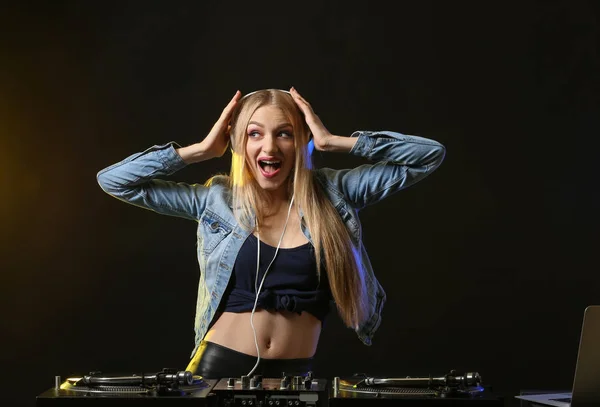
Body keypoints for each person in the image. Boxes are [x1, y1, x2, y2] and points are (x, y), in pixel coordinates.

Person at [97, 87, 445, 379]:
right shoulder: (216, 201)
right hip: (218, 370)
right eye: (254, 133)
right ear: (239, 144)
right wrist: (201, 150)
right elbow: (114, 181)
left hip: (296, 376)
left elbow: (429, 156)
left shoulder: (337, 193)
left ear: (301, 140)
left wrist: (333, 141)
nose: (270, 147)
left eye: (284, 132)